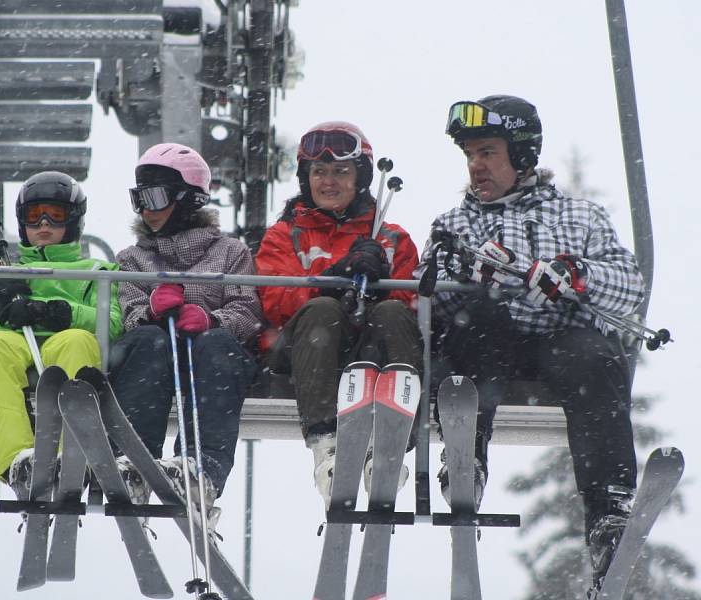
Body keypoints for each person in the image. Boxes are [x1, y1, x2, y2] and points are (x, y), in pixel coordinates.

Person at [415, 95, 645, 591]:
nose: (476, 167)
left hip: (558, 343)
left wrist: (578, 274)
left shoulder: (580, 217)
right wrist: (459, 280)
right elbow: (422, 300)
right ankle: (465, 455)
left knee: (595, 355)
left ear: (521, 156)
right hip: (489, 345)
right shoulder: (455, 225)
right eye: (470, 155)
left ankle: (609, 510)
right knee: (479, 315)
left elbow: (629, 287)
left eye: (487, 153)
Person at [255, 121, 423, 507]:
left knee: (395, 313)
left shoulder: (391, 238)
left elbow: (414, 304)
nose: (328, 182)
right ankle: (326, 445)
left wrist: (379, 279)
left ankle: (390, 439)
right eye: (319, 172)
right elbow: (274, 300)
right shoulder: (286, 235)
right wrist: (330, 280)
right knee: (323, 310)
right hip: (306, 346)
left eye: (340, 172)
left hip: (369, 344)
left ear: (361, 178)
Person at [0, 171, 123, 500]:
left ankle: (68, 457)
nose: (43, 224)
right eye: (34, 216)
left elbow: (113, 325)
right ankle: (18, 463)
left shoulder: (97, 274)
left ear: (73, 221)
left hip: (66, 337)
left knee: (76, 343)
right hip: (13, 340)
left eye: (55, 215)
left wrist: (57, 312)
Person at [111, 142, 261, 519]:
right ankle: (133, 462)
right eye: (138, 198)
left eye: (155, 197)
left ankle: (200, 469)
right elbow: (127, 314)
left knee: (217, 346)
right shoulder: (132, 259)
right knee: (147, 340)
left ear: (188, 200)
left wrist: (213, 320)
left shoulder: (231, 254)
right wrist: (150, 310)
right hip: (156, 359)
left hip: (208, 363)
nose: (146, 208)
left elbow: (247, 311)